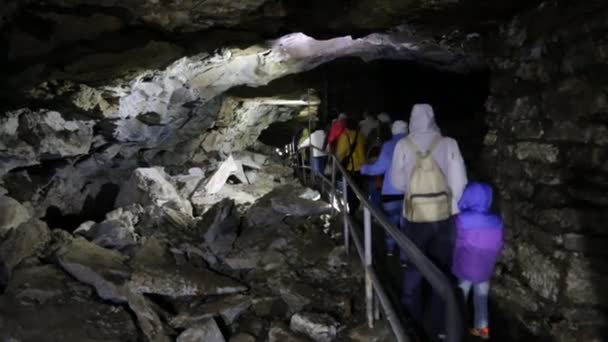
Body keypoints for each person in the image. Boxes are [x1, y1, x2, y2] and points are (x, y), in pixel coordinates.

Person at [390, 103, 467, 339]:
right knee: (441, 270)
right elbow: (460, 182)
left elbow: (397, 182)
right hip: (444, 217)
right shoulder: (449, 143)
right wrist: (447, 202)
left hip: (415, 216)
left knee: (414, 268)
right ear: (432, 118)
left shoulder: (404, 145)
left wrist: (415, 191)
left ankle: (410, 322)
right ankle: (437, 327)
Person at [452, 182, 504, 340]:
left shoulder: (461, 219)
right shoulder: (497, 220)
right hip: (485, 269)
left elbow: (454, 239)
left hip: (465, 268)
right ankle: (482, 331)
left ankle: (456, 328)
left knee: (460, 298)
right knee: (481, 299)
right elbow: (498, 243)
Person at [360, 120, 408, 265]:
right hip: (410, 194)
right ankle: (405, 258)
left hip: (391, 193)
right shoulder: (413, 145)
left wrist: (364, 169)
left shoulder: (388, 146)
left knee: (391, 224)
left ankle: (390, 250)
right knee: (406, 228)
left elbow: (378, 169)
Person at [336, 117, 366, 213]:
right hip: (362, 166)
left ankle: (353, 211)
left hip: (351, 167)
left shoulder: (345, 136)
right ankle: (359, 208)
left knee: (350, 190)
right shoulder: (360, 135)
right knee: (359, 188)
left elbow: (340, 153)